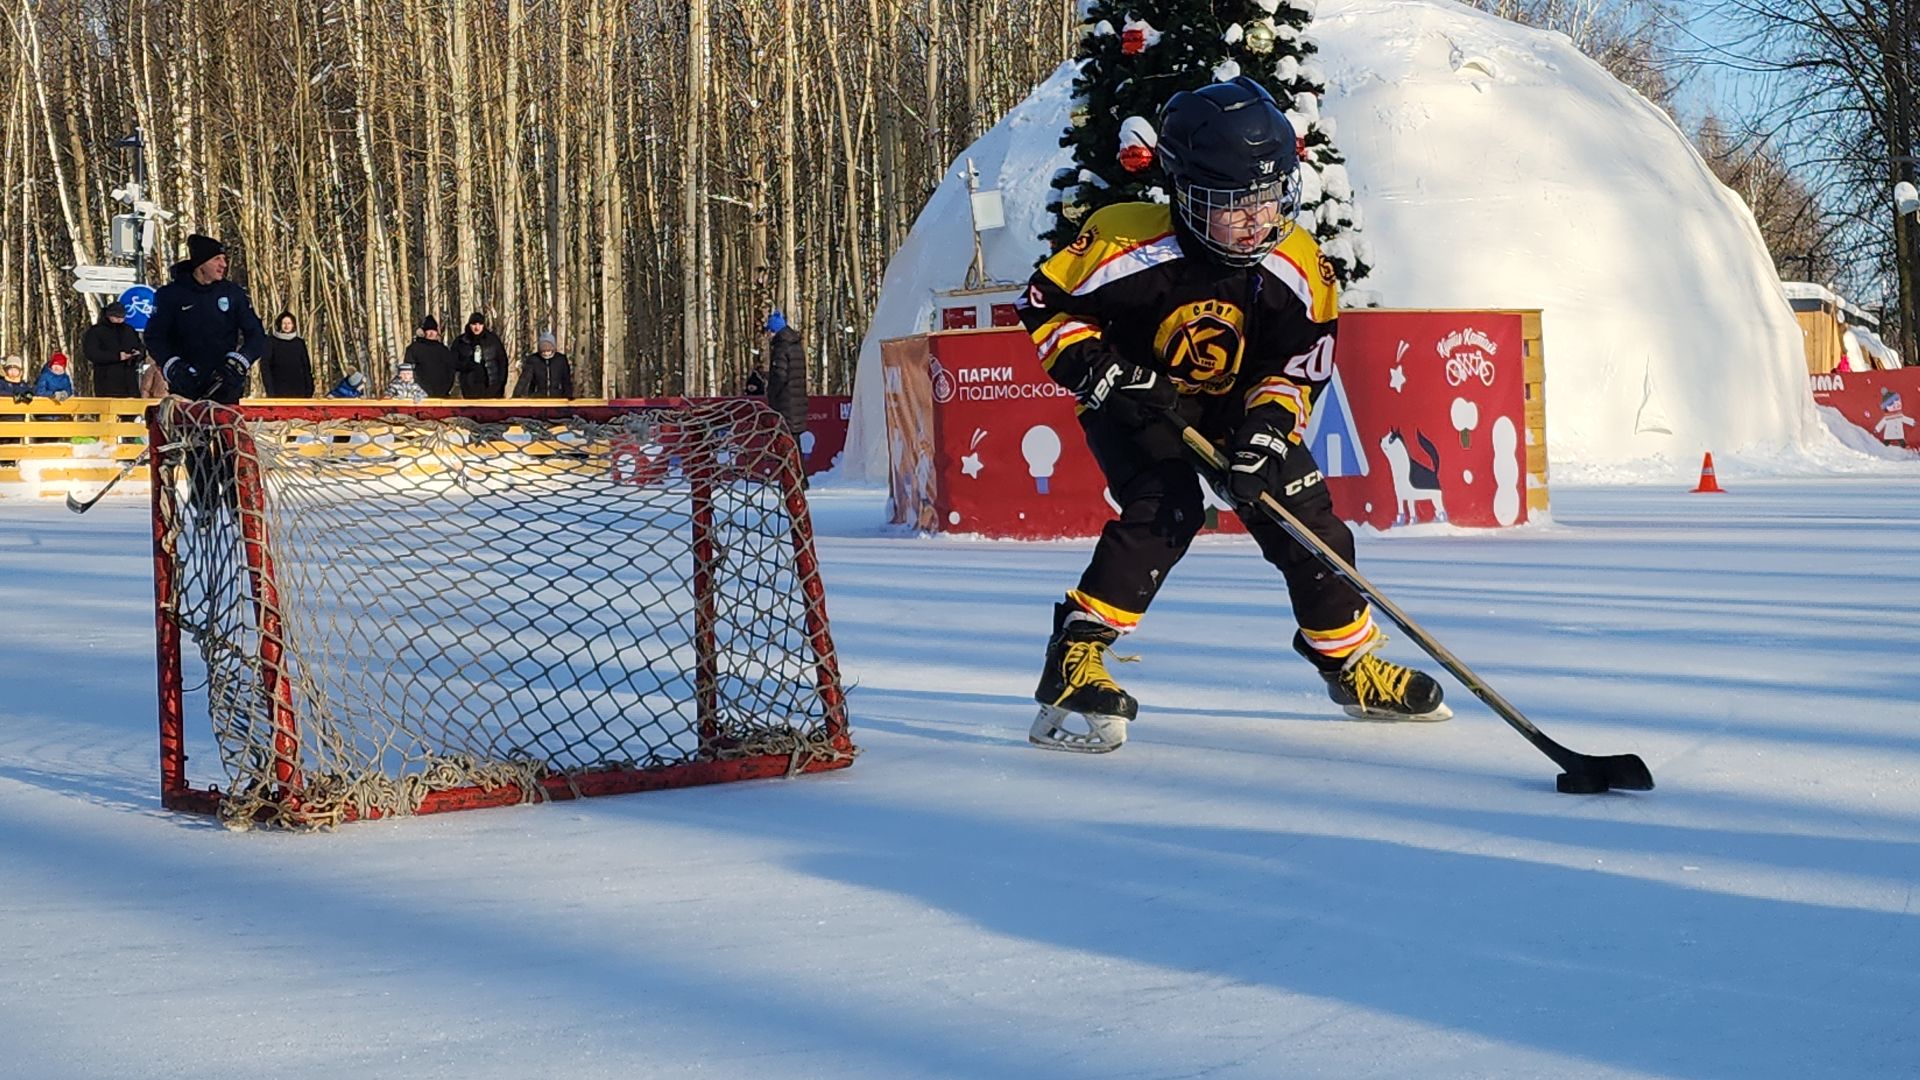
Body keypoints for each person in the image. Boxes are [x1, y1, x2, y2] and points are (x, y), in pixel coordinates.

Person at [1015, 77, 1447, 754]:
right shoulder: (1123, 240)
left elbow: (1296, 368)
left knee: (1304, 514)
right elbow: (1045, 308)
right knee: (1166, 506)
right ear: (1185, 195)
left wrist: (1268, 431)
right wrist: (1103, 371)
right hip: (1136, 401)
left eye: (1270, 197)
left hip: (1236, 406)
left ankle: (1347, 661)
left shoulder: (1300, 265)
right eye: (1235, 204)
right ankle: (1076, 654)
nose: (1257, 218)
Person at [144, 233, 266, 406]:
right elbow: (154, 337)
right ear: (201, 264)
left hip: (225, 385)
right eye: (217, 259)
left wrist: (239, 362)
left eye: (224, 259)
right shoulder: (170, 294)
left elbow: (257, 335)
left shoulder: (232, 293)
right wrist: (171, 365)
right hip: (185, 386)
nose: (223, 264)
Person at [82, 301, 144, 398]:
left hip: (129, 379)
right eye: (116, 317)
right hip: (106, 379)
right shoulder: (96, 332)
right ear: (108, 315)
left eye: (122, 317)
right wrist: (117, 356)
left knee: (131, 405)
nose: (119, 319)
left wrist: (138, 354)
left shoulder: (129, 330)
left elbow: (140, 346)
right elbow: (92, 353)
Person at [453, 311, 508, 398]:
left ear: (483, 325)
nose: (477, 327)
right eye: (474, 324)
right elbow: (453, 362)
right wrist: (468, 365)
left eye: (480, 324)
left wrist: (501, 383)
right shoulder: (461, 342)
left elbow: (502, 361)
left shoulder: (493, 340)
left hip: (492, 385)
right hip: (469, 386)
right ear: (470, 325)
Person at [260, 311, 315, 397]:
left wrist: (309, 388)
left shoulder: (299, 343)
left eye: (289, 323)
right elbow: (265, 366)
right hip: (277, 389)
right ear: (279, 324)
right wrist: (269, 389)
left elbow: (306, 367)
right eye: (284, 323)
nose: (286, 326)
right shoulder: (271, 342)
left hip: (299, 390)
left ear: (293, 325)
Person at [404, 315, 456, 397]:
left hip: (441, 394)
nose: (431, 333)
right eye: (428, 330)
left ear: (437, 332)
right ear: (423, 332)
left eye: (433, 330)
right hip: (419, 394)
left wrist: (445, 390)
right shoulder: (414, 349)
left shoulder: (444, 350)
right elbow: (408, 370)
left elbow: (450, 372)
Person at [513, 331, 574, 398]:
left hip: (557, 397)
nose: (546, 354)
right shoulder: (533, 360)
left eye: (548, 351)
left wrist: (568, 396)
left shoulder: (560, 360)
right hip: (538, 397)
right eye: (543, 351)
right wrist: (517, 394)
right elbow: (524, 378)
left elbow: (566, 381)